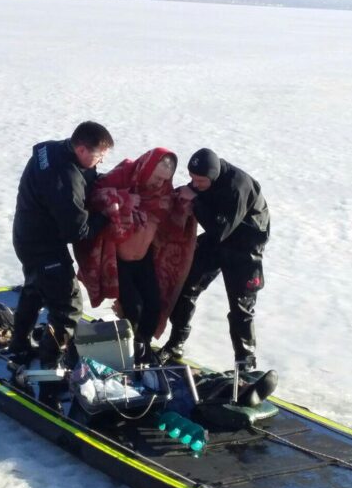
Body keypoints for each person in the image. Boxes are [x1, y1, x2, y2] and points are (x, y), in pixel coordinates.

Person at [75, 148, 197, 364]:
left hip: (144, 257)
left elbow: (173, 221)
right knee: (134, 308)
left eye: (164, 179)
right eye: (157, 177)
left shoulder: (163, 192)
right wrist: (123, 199)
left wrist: (186, 203)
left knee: (154, 305)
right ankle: (124, 351)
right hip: (118, 259)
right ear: (147, 168)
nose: (159, 183)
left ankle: (142, 347)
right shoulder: (127, 173)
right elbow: (94, 194)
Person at [10, 121, 114, 367]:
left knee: (35, 288)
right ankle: (51, 362)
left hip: (25, 234)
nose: (100, 163)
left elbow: (84, 178)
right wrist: (106, 216)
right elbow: (77, 230)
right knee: (69, 306)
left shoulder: (52, 149)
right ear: (81, 150)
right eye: (99, 157)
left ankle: (19, 344)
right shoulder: (65, 180)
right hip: (43, 246)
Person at [160, 148, 270, 371]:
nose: (195, 184)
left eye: (199, 181)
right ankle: (176, 343)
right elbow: (196, 198)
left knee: (241, 307)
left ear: (213, 176)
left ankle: (245, 364)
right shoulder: (206, 178)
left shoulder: (237, 187)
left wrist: (196, 201)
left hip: (244, 247)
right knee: (185, 287)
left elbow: (220, 229)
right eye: (192, 179)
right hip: (217, 240)